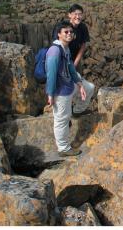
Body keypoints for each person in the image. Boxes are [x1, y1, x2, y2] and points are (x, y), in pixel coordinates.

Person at [46, 20, 86, 157]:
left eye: (71, 32)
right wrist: (50, 94)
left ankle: (71, 115)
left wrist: (79, 84)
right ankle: (63, 148)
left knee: (88, 88)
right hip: (60, 91)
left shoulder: (65, 48)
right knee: (61, 119)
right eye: (66, 32)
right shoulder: (54, 51)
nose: (69, 34)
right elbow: (50, 74)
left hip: (68, 86)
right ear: (59, 34)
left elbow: (70, 68)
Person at [52, 4, 95, 117]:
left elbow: (83, 45)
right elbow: (57, 46)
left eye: (80, 14)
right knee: (65, 87)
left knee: (78, 85)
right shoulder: (63, 27)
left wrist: (75, 62)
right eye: (75, 14)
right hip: (62, 62)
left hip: (75, 61)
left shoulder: (83, 28)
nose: (78, 16)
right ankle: (64, 112)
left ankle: (76, 111)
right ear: (69, 15)